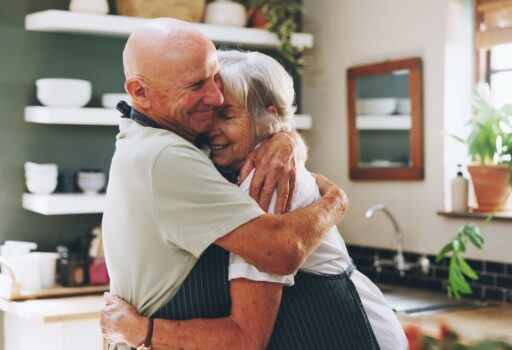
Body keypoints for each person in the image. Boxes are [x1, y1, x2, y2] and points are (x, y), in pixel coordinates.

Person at [101, 50, 408, 350]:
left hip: (351, 331)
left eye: (228, 115)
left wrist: (141, 330)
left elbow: (248, 332)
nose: (211, 129)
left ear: (269, 116)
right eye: (210, 112)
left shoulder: (269, 182)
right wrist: (290, 141)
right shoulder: (214, 164)